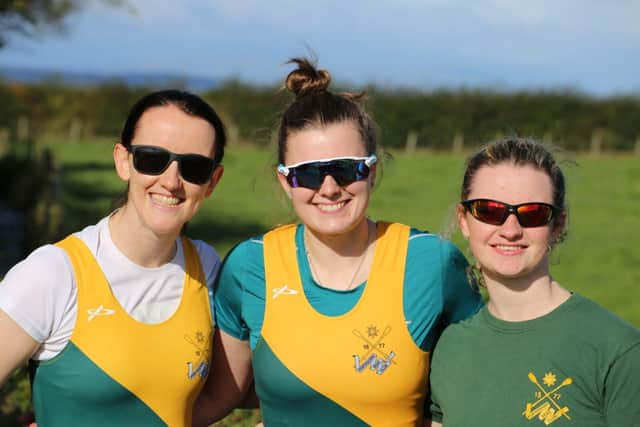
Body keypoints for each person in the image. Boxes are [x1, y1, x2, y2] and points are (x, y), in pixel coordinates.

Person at [194, 58, 482, 427]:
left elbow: (473, 394)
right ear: (286, 182)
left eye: (346, 169)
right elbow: (221, 395)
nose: (329, 189)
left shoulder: (433, 263)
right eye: (309, 174)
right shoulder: (251, 266)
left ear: (371, 171)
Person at [0, 89, 226, 426]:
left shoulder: (208, 269)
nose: (170, 181)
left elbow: (250, 385)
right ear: (123, 161)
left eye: (194, 168)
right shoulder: (54, 273)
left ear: (212, 182)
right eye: (152, 158)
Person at [428, 138, 640, 426]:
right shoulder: (449, 348)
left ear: (558, 225)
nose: (510, 230)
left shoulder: (619, 351)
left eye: (532, 214)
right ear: (464, 220)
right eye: (489, 210)